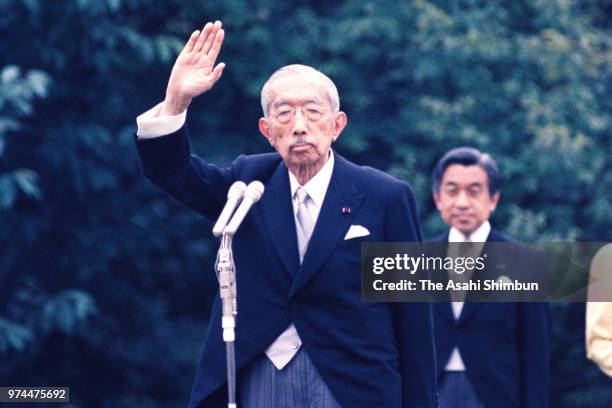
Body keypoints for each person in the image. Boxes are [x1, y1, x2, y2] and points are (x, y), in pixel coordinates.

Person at [135, 21, 436, 408]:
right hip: (263, 375)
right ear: (267, 130)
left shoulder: (386, 197)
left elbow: (414, 320)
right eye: (284, 115)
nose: (299, 127)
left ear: (337, 125)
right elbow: (172, 173)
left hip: (354, 384)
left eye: (312, 112)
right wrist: (176, 102)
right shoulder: (247, 184)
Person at [430, 147, 550, 407]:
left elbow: (536, 352)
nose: (462, 202)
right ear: (438, 199)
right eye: (452, 191)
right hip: (430, 391)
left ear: (493, 199)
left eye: (474, 192)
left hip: (496, 393)